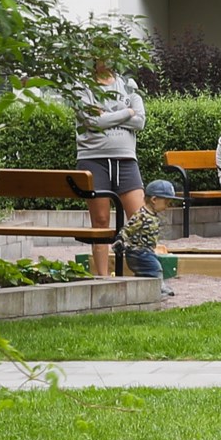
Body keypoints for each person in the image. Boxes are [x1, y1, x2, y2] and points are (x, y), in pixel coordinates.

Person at [74, 56, 161, 285]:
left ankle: (149, 278)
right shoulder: (83, 86)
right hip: (94, 160)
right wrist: (127, 113)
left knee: (141, 219)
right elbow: (93, 123)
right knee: (101, 222)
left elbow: (140, 121)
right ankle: (102, 279)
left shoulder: (128, 84)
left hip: (126, 160)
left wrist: (109, 117)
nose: (107, 57)